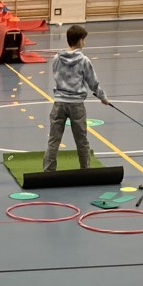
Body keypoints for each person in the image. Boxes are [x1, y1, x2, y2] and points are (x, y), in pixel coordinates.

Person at [43, 23, 110, 173]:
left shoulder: (57, 58)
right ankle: (85, 170)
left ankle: (48, 172)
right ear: (80, 41)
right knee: (82, 140)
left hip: (59, 104)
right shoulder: (84, 60)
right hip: (76, 106)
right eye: (84, 39)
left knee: (54, 141)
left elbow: (57, 76)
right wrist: (102, 97)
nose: (85, 42)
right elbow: (93, 82)